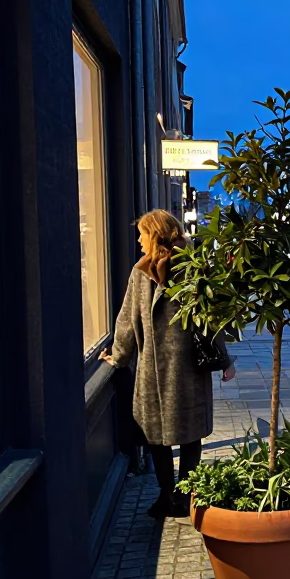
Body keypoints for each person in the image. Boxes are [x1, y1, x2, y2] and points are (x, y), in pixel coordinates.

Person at [101, 209, 236, 518]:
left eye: (142, 233)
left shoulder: (188, 268)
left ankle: (177, 496)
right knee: (167, 436)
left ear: (156, 235)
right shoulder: (146, 271)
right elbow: (128, 320)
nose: (138, 239)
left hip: (182, 366)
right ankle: (171, 495)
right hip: (162, 370)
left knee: (176, 436)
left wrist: (119, 358)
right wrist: (119, 356)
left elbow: (208, 316)